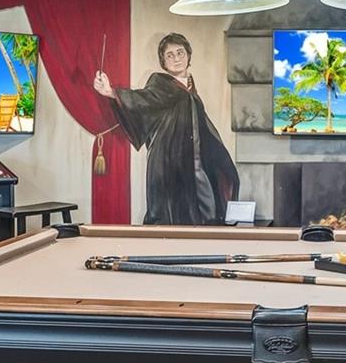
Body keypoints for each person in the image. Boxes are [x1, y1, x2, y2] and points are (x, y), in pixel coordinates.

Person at [94, 33, 239, 225]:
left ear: (188, 55)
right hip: (167, 163)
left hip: (196, 163)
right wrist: (111, 92)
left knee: (206, 210)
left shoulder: (191, 90)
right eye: (170, 55)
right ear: (163, 61)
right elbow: (142, 100)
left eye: (180, 52)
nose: (176, 58)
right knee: (169, 213)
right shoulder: (159, 85)